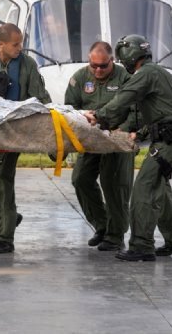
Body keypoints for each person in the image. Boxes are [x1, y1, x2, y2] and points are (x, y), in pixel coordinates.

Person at [85, 34, 172, 262]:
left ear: (129, 56)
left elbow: (124, 97)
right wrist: (141, 133)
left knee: (143, 188)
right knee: (158, 189)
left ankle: (142, 245)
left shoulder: (146, 74)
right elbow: (161, 110)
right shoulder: (160, 73)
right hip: (171, 136)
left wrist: (100, 116)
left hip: (168, 140)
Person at [0, 23, 51, 253]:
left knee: (5, 178)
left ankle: (5, 237)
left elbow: (40, 97)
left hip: (14, 130)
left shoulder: (27, 65)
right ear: (2, 44)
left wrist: (51, 126)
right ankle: (7, 216)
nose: (20, 48)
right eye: (16, 44)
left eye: (21, 43)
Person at [65, 41, 135, 252]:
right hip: (91, 138)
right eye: (93, 65)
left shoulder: (125, 78)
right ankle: (102, 225)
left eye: (103, 66)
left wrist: (124, 130)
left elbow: (135, 110)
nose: (97, 70)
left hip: (117, 138)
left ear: (112, 61)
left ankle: (115, 235)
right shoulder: (79, 78)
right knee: (80, 179)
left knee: (115, 185)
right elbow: (70, 109)